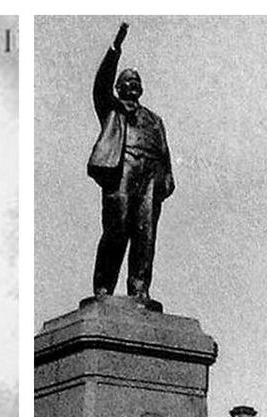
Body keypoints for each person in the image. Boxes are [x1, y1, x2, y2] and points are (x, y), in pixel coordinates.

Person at [89, 22, 176, 309]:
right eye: (126, 80)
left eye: (136, 80)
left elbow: (164, 152)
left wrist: (166, 179)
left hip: (150, 174)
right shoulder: (111, 110)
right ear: (118, 87)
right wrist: (115, 48)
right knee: (117, 228)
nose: (132, 84)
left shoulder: (155, 119)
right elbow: (101, 84)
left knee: (145, 232)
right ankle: (103, 287)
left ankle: (140, 288)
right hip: (122, 169)